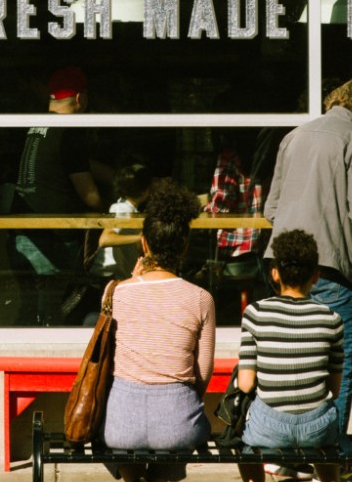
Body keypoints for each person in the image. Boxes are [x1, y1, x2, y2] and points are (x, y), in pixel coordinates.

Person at [261, 77, 352, 424]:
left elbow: (270, 211)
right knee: (338, 364)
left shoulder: (293, 136)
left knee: (291, 360)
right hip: (331, 266)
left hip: (284, 265)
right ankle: (328, 454)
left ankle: (287, 447)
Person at [101, 179, 215, 482]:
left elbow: (108, 361)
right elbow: (203, 371)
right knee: (180, 426)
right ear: (185, 245)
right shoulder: (202, 298)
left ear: (144, 243)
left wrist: (129, 279)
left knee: (122, 434)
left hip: (122, 424)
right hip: (178, 423)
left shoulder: (117, 293)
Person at [235, 230, 345, 482]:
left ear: (275, 273)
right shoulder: (332, 319)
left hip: (268, 428)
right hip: (317, 429)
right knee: (326, 432)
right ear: (316, 276)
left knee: (242, 439)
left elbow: (246, 384)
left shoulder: (255, 313)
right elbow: (335, 390)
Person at [11, 66, 105, 324]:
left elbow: (66, 163)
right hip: (55, 235)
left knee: (34, 307)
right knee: (59, 308)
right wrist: (109, 211)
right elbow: (88, 194)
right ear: (79, 98)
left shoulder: (38, 127)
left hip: (25, 228)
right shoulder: (69, 130)